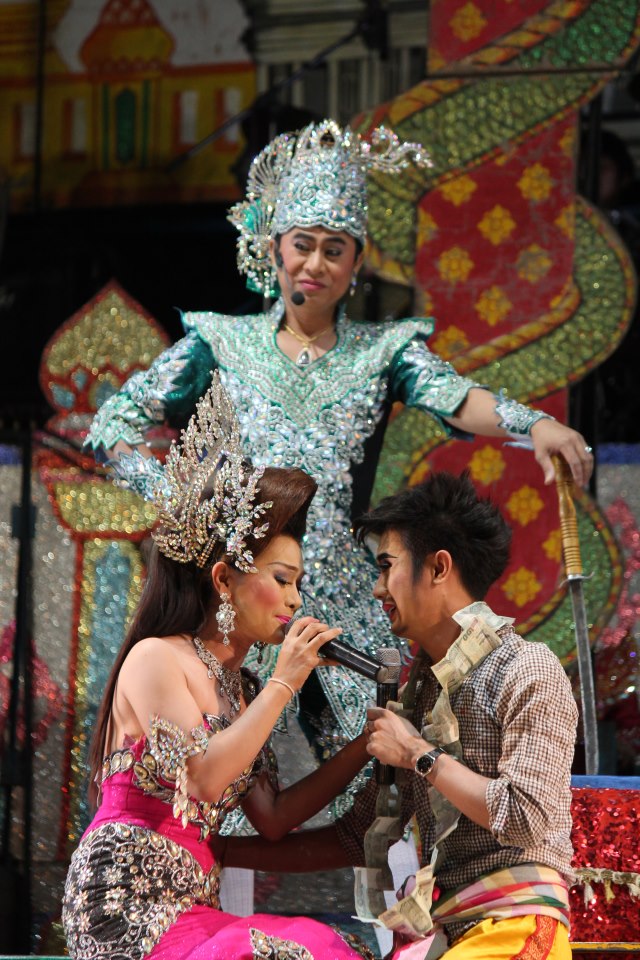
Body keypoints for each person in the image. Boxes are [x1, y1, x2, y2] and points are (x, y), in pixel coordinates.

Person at [85, 119, 592, 788]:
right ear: (273, 248)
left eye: (334, 250)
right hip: (245, 591)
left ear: (356, 263)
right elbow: (112, 424)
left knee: (374, 773)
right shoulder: (221, 343)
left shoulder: (383, 352)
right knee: (222, 771)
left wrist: (536, 424)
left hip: (347, 601)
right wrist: (184, 504)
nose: (315, 264)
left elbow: (455, 397)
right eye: (302, 245)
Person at [61, 376, 374, 960]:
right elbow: (201, 779)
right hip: (125, 900)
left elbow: (273, 818)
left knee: (320, 943)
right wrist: (285, 682)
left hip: (194, 905)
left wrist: (366, 745)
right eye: (281, 580)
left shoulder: (240, 687)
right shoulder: (157, 658)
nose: (295, 600)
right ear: (224, 579)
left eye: (298, 583)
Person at [219, 472, 578, 959]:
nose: (377, 589)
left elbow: (524, 816)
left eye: (386, 567)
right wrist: (219, 852)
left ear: (438, 567)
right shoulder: (421, 693)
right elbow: (356, 836)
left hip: (516, 926)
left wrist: (419, 754)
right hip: (453, 930)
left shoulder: (527, 667)